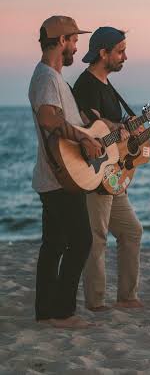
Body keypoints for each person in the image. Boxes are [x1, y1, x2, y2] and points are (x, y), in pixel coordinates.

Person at [29, 16, 102, 328]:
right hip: (59, 179)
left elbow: (66, 123)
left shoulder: (54, 79)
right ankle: (63, 313)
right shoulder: (47, 78)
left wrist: (97, 129)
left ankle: (46, 313)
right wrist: (84, 137)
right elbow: (48, 118)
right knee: (82, 240)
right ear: (61, 41)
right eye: (73, 40)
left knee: (55, 245)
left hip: (55, 176)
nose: (76, 46)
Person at [73, 27, 144, 311]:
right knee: (97, 238)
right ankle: (96, 302)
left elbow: (115, 134)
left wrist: (131, 132)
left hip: (114, 176)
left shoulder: (107, 86)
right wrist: (119, 129)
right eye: (120, 51)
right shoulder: (85, 86)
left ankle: (127, 297)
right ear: (103, 53)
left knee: (132, 232)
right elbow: (90, 131)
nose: (124, 56)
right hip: (95, 173)